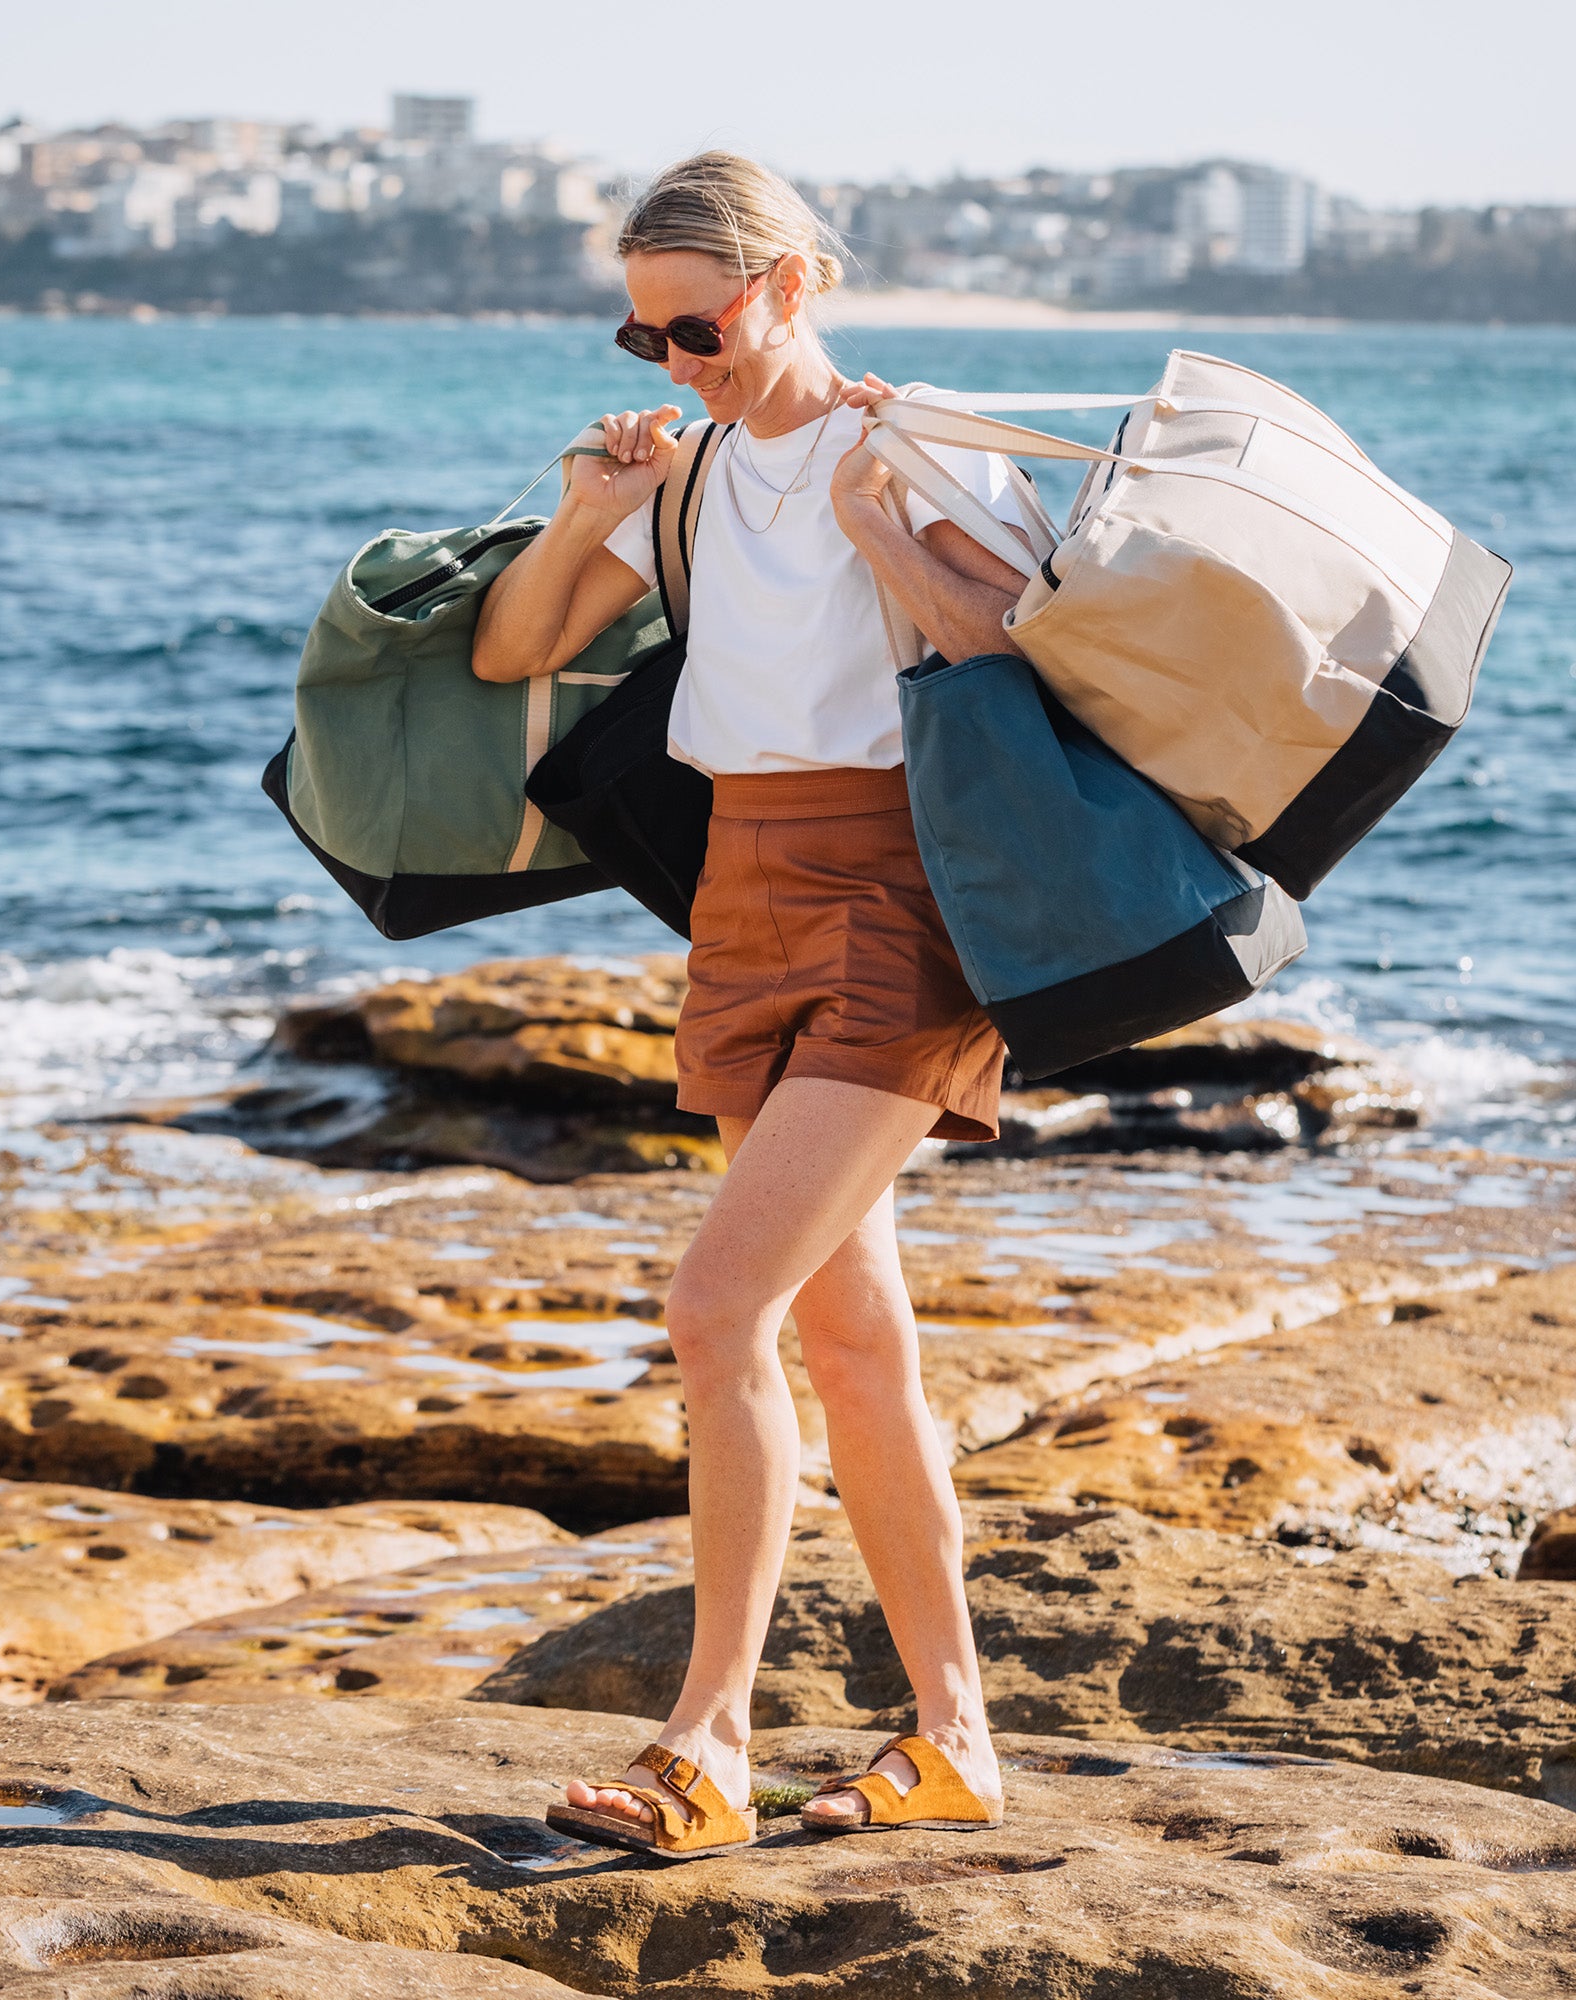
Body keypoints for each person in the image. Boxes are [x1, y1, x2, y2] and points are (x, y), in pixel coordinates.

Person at [473, 150, 1031, 1857]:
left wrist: (880, 528)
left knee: (716, 1310)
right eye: (643, 341)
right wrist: (587, 504)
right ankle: (954, 1744)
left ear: (791, 281)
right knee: (853, 1341)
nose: (677, 365)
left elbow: (1012, 643)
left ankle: (706, 1739)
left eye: (697, 327)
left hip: (902, 905)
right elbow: (510, 653)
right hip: (740, 898)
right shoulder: (690, 475)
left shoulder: (916, 439)